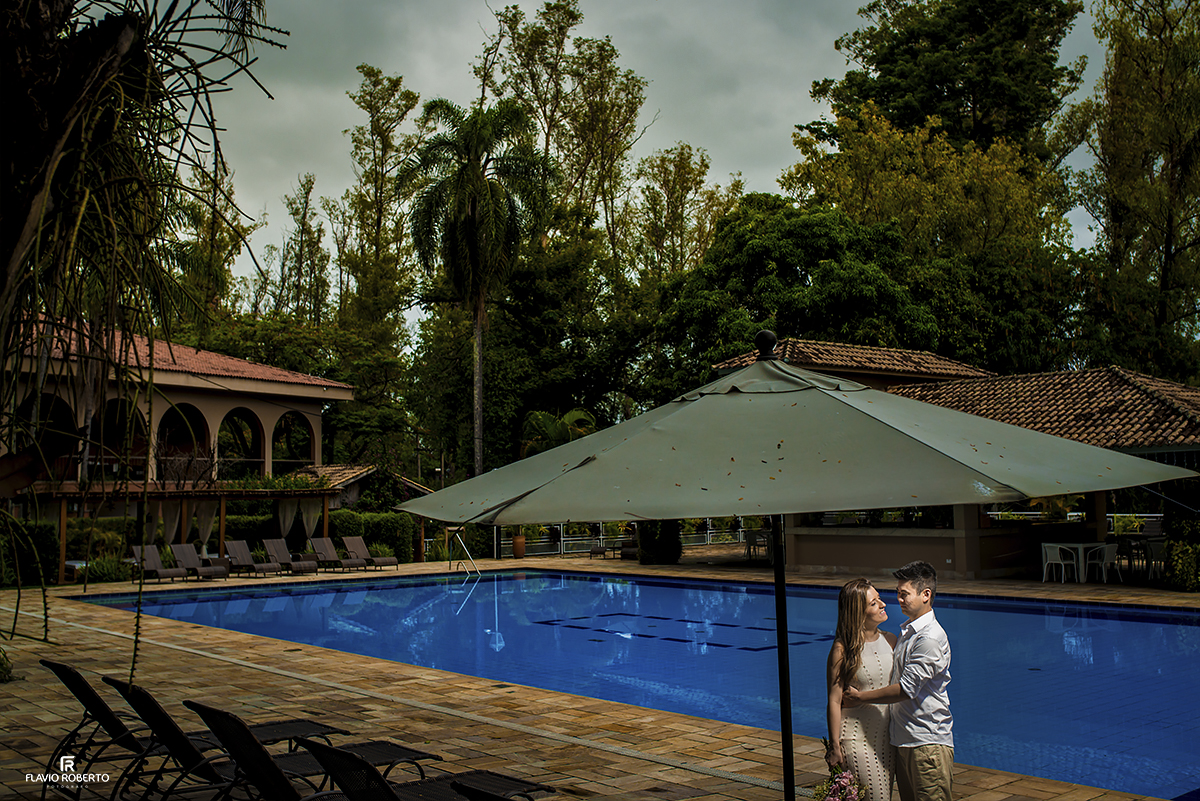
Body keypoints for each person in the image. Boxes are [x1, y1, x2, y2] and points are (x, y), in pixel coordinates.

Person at [845, 561, 953, 801]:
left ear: (926, 595)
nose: (898, 599)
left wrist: (860, 698)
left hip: (926, 743)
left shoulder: (929, 639)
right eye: (898, 593)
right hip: (906, 740)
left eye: (904, 594)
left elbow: (906, 689)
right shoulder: (907, 633)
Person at [825, 578, 897, 801]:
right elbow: (835, 701)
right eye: (874, 603)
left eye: (879, 599)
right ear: (859, 612)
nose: (883, 604)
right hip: (856, 739)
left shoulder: (892, 641)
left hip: (888, 738)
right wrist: (835, 746)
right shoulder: (842, 650)